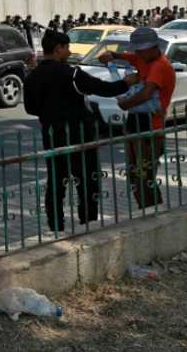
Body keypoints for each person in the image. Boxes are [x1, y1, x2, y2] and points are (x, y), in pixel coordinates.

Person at [24, 30, 133, 232]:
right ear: (58, 49)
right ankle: (88, 222)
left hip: (53, 135)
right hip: (79, 136)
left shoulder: (33, 76)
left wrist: (50, 114)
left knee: (56, 182)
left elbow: (30, 108)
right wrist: (126, 83)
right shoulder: (72, 74)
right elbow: (105, 89)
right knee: (87, 181)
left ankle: (56, 226)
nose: (70, 51)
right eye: (67, 48)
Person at [96, 27, 177, 208]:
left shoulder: (160, 65)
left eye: (141, 50)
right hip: (136, 122)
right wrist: (113, 55)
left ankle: (153, 211)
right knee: (136, 175)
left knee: (143, 176)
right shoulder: (143, 58)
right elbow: (129, 57)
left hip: (150, 126)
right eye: (137, 50)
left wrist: (125, 104)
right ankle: (148, 210)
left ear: (153, 47)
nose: (137, 53)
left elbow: (147, 93)